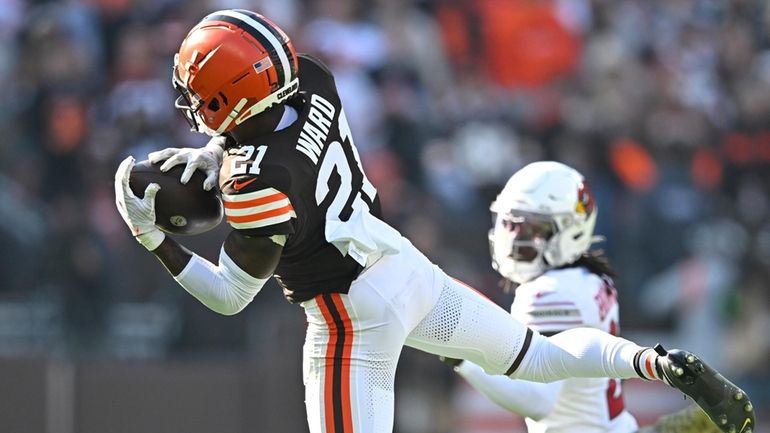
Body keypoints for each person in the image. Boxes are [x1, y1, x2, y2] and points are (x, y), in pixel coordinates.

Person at [113, 9, 754, 433]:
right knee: (539, 365)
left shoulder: (254, 184)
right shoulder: (315, 80)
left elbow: (229, 297)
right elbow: (263, 132)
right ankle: (659, 365)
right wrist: (211, 150)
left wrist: (152, 237)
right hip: (405, 267)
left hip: (348, 320)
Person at [441, 161, 719, 433]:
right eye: (509, 223)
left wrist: (461, 355)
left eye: (531, 228)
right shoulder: (591, 278)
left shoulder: (547, 293)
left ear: (569, 230)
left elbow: (538, 401)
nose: (513, 238)